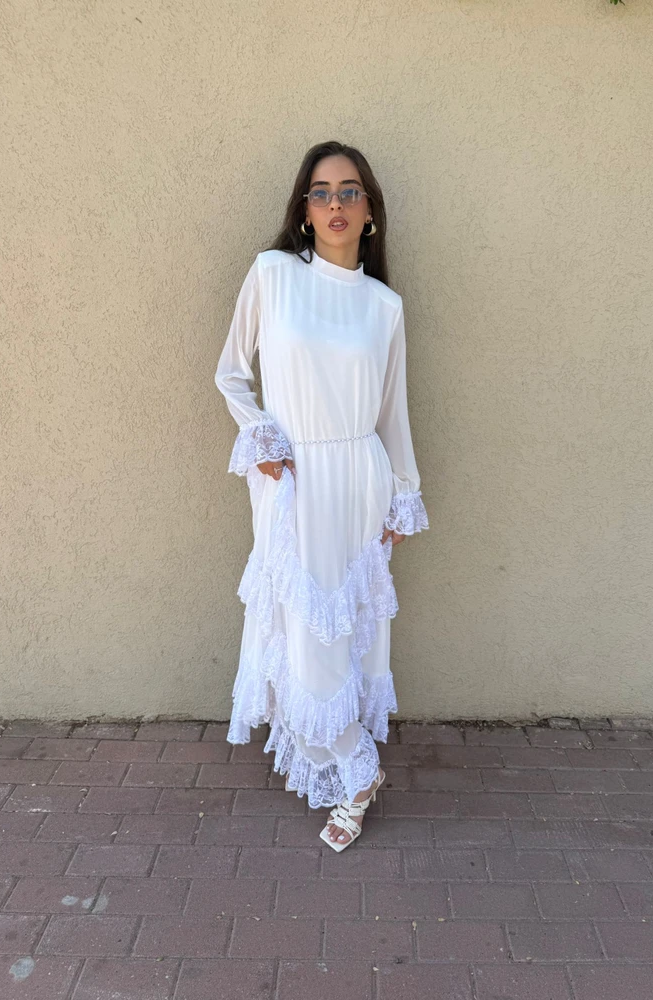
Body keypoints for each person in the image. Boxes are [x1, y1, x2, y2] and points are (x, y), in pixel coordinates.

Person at [214, 141, 429, 852]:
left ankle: (353, 771)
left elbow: (393, 414)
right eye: (320, 192)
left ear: (370, 211)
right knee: (301, 629)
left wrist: (403, 495)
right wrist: (261, 435)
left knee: (342, 630)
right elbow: (230, 374)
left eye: (349, 191)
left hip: (359, 478)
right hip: (293, 478)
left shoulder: (384, 306)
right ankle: (356, 765)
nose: (335, 203)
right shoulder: (273, 274)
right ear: (304, 211)